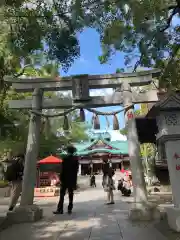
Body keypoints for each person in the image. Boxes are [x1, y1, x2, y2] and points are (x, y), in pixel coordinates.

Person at [53, 145, 79, 215]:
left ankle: (60, 209)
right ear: (73, 151)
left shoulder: (65, 159)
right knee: (71, 194)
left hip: (64, 179)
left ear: (67, 151)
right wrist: (75, 181)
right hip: (72, 179)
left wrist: (60, 179)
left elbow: (62, 170)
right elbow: (76, 171)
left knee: (62, 195)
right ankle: (70, 208)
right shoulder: (76, 159)